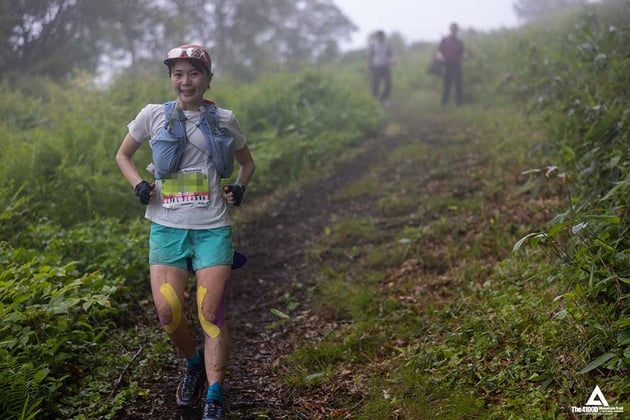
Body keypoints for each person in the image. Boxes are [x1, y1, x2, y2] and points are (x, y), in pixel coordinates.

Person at [115, 44, 255, 420]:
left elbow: (247, 163)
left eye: (194, 73)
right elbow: (123, 155)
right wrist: (138, 186)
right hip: (167, 227)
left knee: (210, 312)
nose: (185, 80)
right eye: (178, 73)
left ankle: (213, 393)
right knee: (168, 311)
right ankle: (193, 363)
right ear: (171, 79)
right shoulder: (153, 116)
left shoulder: (224, 119)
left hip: (212, 228)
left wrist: (239, 188)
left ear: (207, 79)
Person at [438, 22, 464, 106]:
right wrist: (440, 57)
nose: (454, 31)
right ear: (450, 29)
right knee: (446, 84)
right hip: (446, 63)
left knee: (458, 83)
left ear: (457, 30)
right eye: (453, 29)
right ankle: (444, 103)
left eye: (455, 29)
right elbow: (439, 51)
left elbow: (461, 53)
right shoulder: (444, 40)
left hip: (456, 64)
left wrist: (465, 56)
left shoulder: (459, 41)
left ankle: (459, 103)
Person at [368, 30, 393, 105]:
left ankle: (384, 99)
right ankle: (374, 100)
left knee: (388, 84)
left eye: (382, 36)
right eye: (379, 36)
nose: (380, 38)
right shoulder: (374, 46)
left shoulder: (387, 45)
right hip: (376, 67)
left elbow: (390, 55)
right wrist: (369, 68)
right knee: (375, 85)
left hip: (385, 67)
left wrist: (391, 61)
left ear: (384, 37)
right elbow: (370, 56)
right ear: (377, 37)